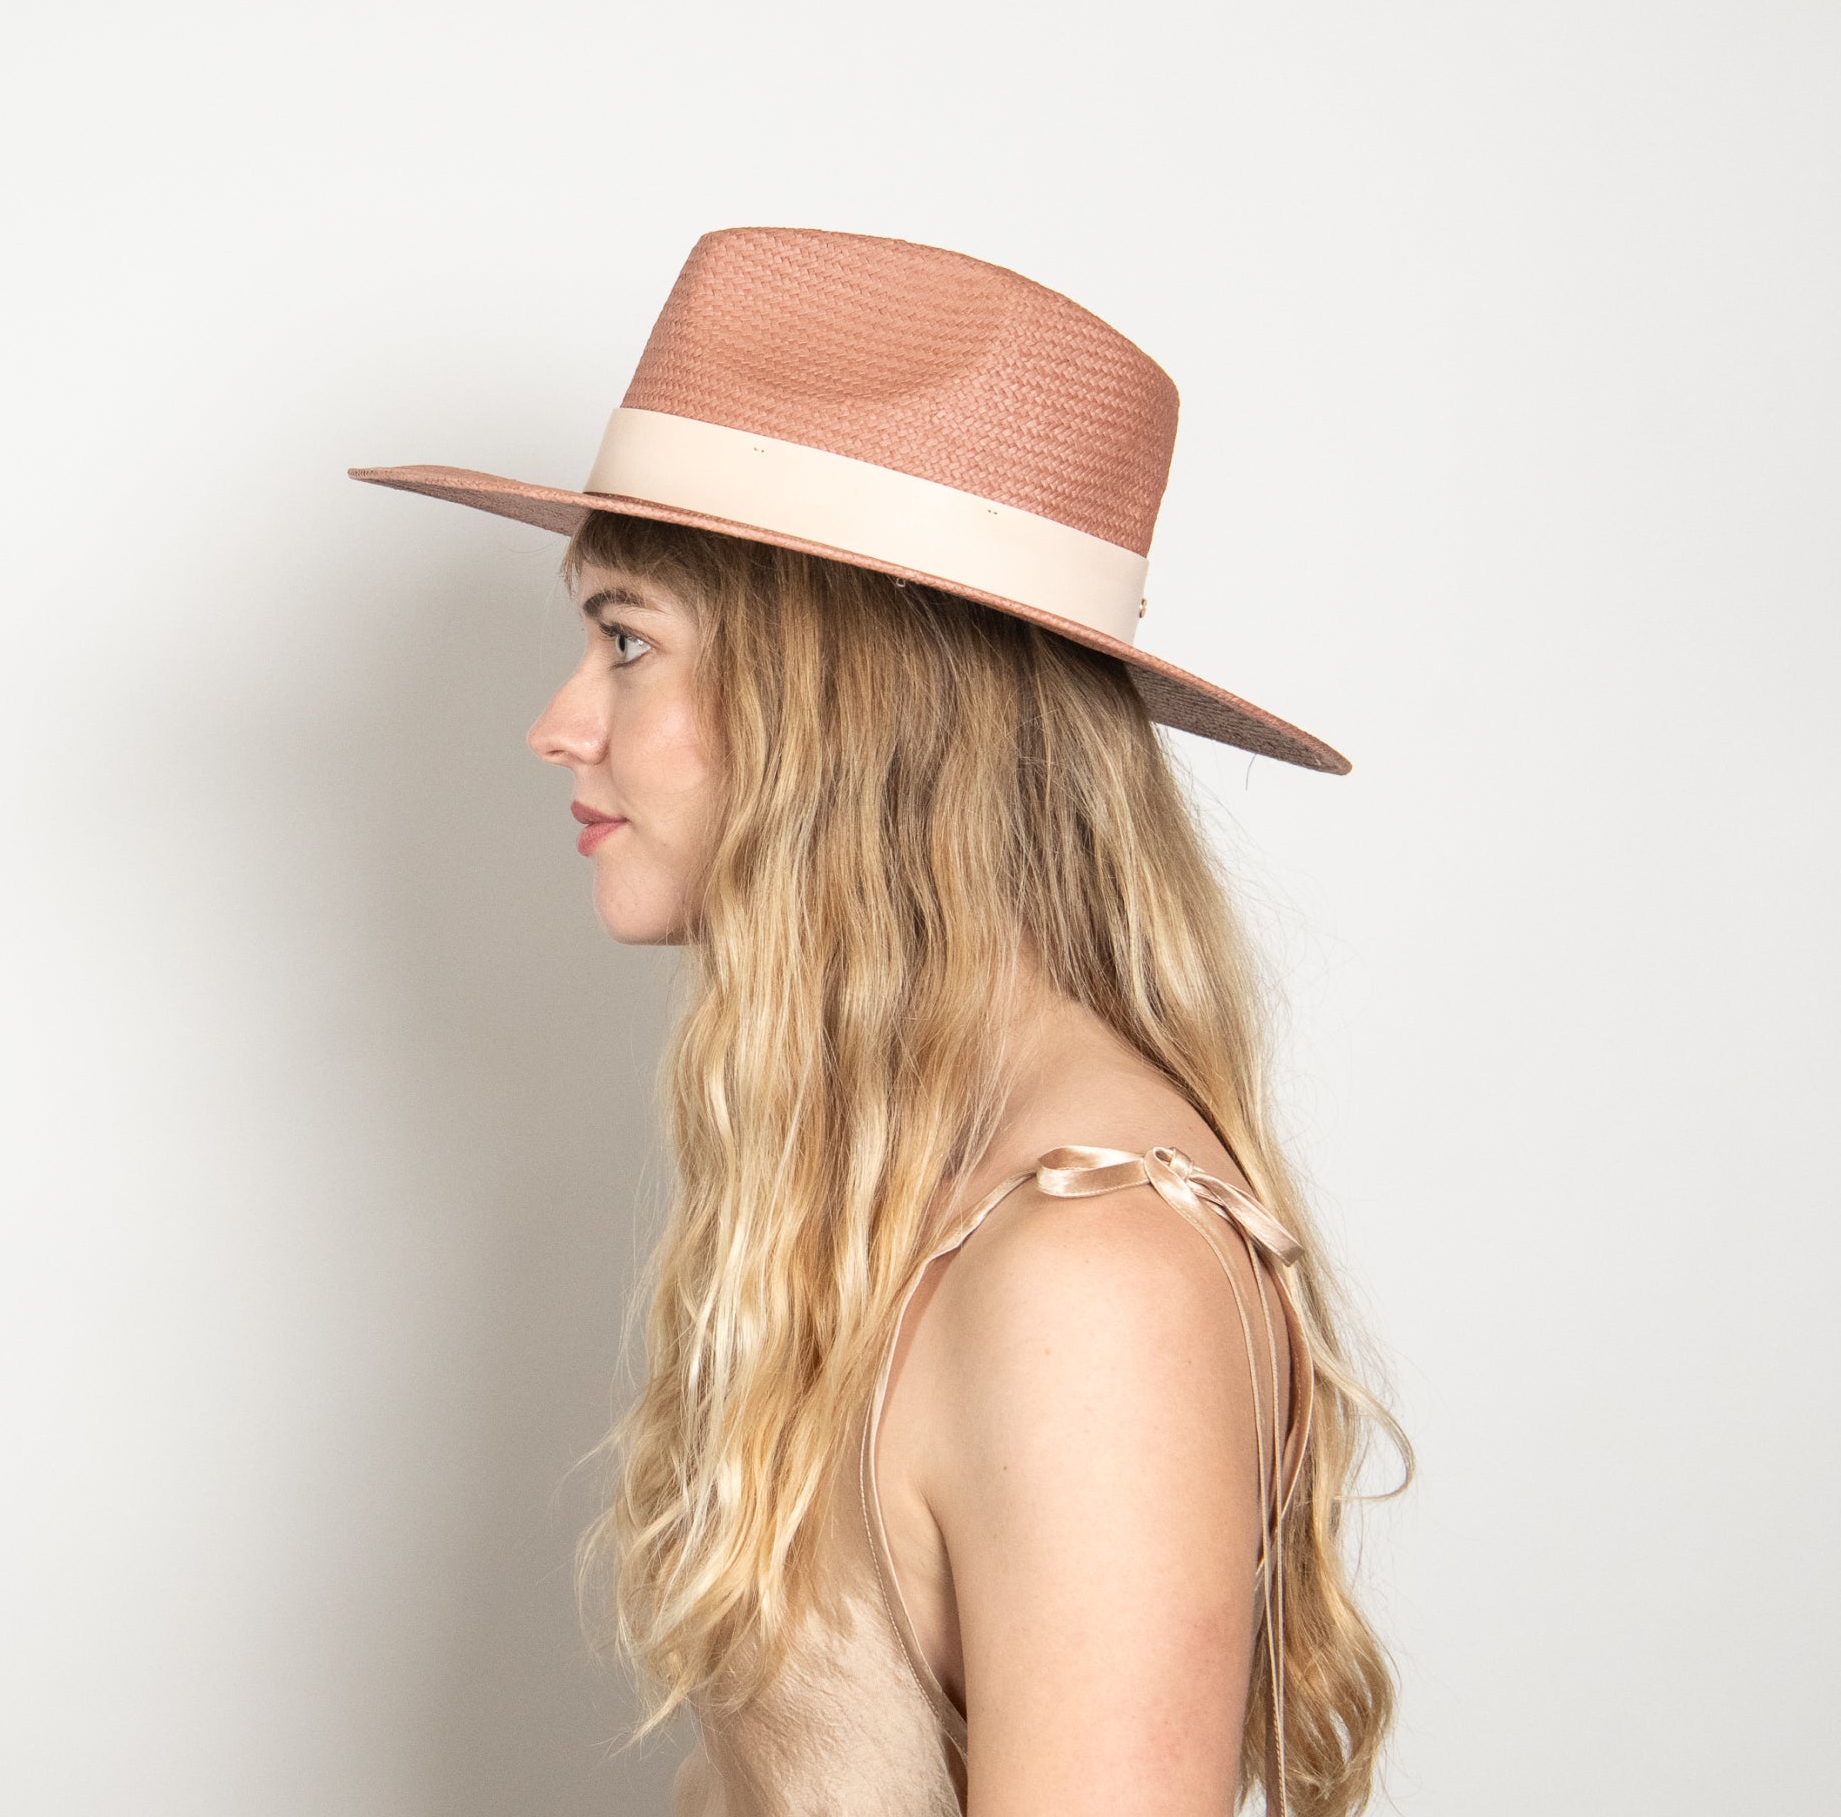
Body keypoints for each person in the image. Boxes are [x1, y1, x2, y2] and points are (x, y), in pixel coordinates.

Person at [352, 228, 1405, 1816]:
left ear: (848, 700)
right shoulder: (910, 1176)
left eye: (627, 639)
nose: (561, 721)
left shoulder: (1089, 1276)